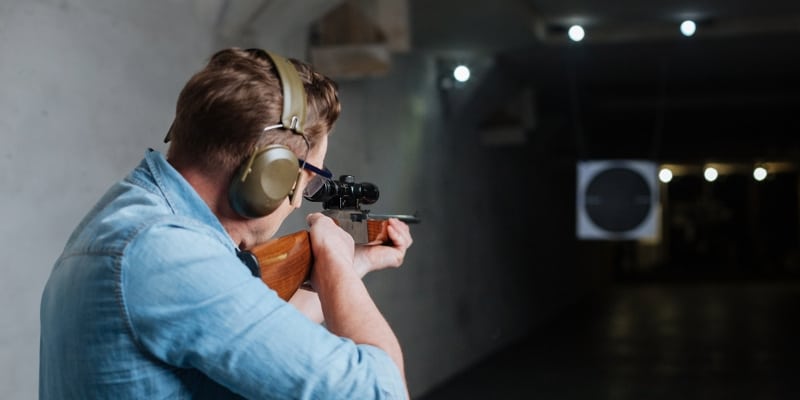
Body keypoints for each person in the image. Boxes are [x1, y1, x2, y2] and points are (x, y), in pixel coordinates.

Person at [39, 48, 413, 399]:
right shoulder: (167, 252)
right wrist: (336, 266)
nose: (300, 199)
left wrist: (352, 265)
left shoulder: (134, 223)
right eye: (309, 177)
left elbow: (258, 336)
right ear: (272, 175)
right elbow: (380, 390)